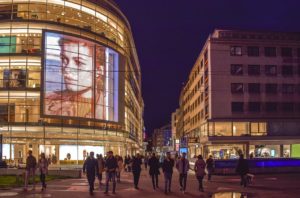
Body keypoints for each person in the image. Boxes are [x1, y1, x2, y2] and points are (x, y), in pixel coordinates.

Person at [44, 33, 107, 119]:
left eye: (78, 62)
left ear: (98, 71)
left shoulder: (108, 108)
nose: (67, 69)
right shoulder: (46, 100)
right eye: (64, 59)